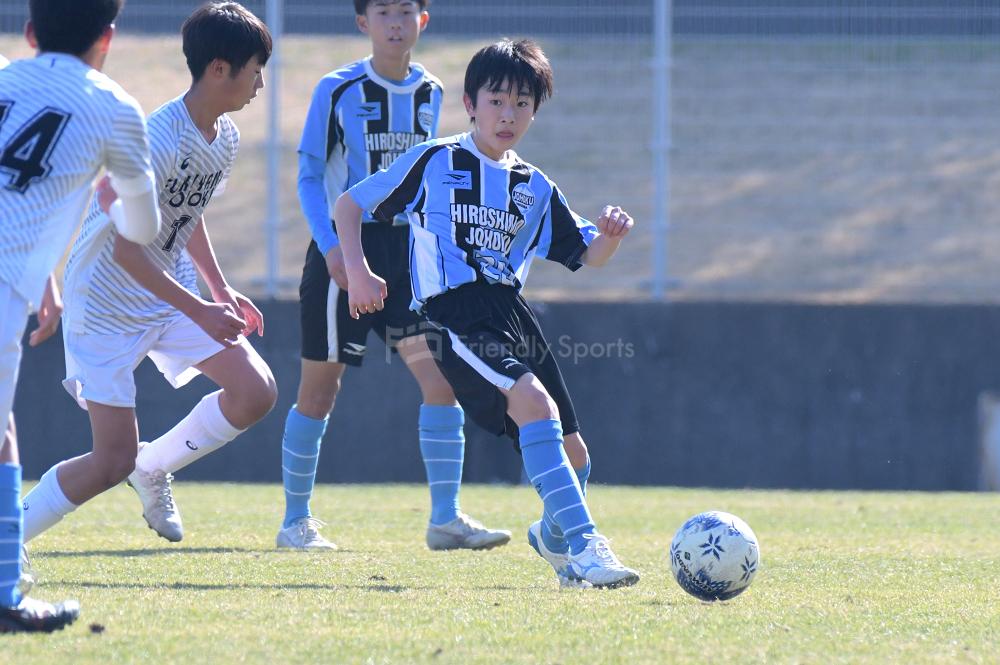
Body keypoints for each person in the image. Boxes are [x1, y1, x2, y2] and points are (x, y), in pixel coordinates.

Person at [335, 39, 640, 589]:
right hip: (453, 311)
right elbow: (350, 204)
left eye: (522, 103)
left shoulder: (536, 186)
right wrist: (358, 272)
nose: (508, 114)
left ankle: (551, 536)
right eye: (497, 100)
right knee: (531, 402)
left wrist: (612, 235)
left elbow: (588, 254)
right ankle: (588, 547)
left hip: (512, 313)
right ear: (470, 104)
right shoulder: (436, 160)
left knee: (577, 455)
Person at [20, 2, 276, 549]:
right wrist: (201, 309)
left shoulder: (224, 137)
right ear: (219, 70)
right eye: (256, 68)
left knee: (255, 392)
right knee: (110, 461)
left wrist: (218, 286)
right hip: (106, 304)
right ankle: (8, 541)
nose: (261, 81)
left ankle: (153, 467)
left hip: (168, 288)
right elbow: (126, 255)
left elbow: (189, 211)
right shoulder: (157, 136)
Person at [277, 0, 509, 551]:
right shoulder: (336, 89)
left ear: (423, 20)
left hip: (407, 256)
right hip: (343, 248)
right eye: (383, 12)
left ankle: (445, 518)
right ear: (364, 23)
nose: (396, 22)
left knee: (441, 379)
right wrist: (335, 250)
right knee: (319, 391)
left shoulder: (431, 92)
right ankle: (295, 522)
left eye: (407, 10)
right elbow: (310, 176)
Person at [0, 0, 162, 631]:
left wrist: (42, 273)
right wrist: (113, 194)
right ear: (109, 38)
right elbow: (143, 227)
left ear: (31, 32)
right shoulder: (114, 106)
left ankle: (6, 589)